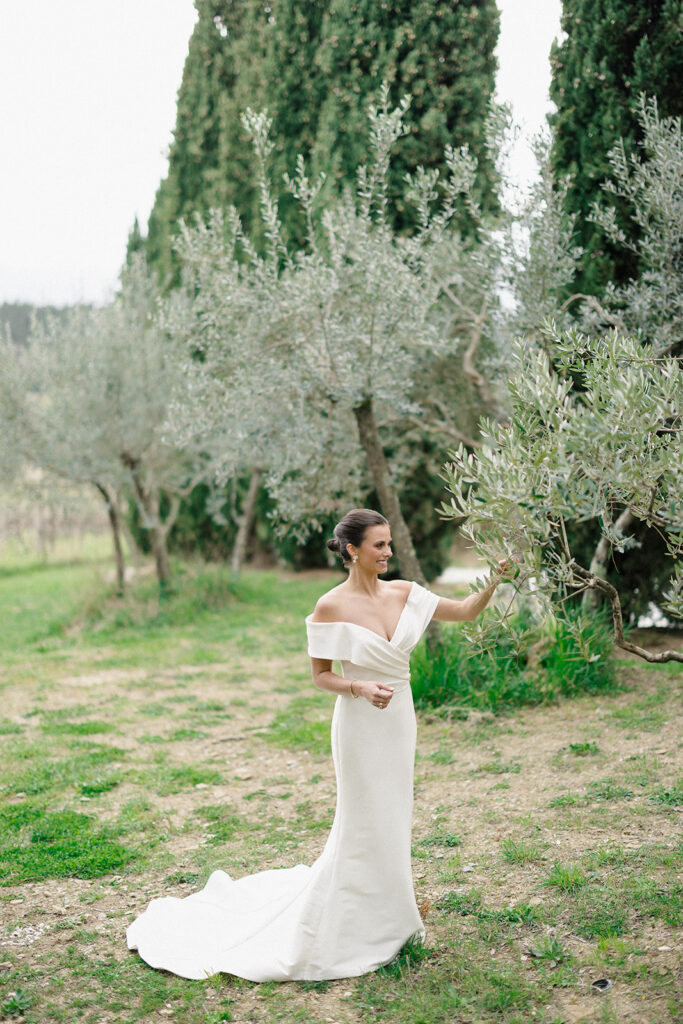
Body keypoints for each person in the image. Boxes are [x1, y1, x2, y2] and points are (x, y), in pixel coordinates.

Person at [126, 508, 510, 982]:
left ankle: (392, 913)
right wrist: (360, 689)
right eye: (379, 545)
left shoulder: (406, 593)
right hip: (358, 722)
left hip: (399, 721)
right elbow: (321, 676)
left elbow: (467, 610)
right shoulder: (330, 606)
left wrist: (495, 579)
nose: (388, 552)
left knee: (394, 813)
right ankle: (350, 921)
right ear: (353, 550)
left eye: (389, 543)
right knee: (361, 816)